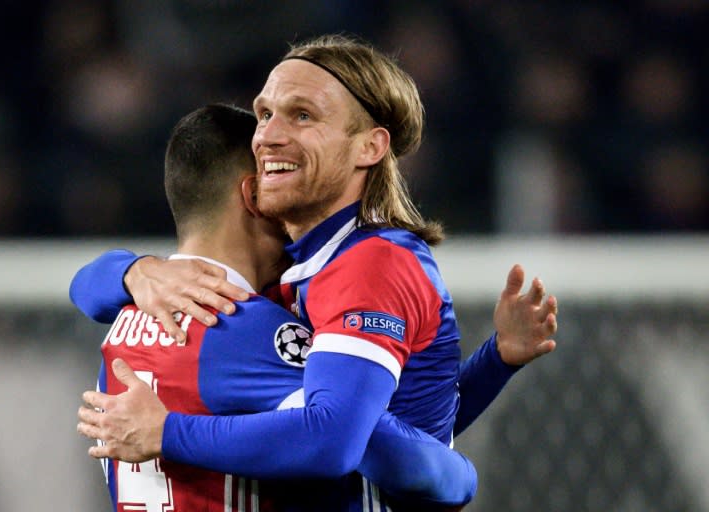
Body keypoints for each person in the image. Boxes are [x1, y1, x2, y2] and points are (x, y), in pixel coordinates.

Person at [76, 34, 558, 511]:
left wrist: (129, 279)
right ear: (250, 194)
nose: (268, 135)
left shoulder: (369, 266)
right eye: (264, 114)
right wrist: (133, 270)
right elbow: (391, 440)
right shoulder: (268, 291)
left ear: (369, 147)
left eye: (302, 115)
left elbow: (342, 435)